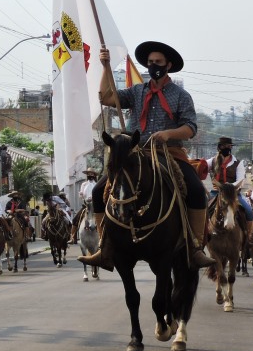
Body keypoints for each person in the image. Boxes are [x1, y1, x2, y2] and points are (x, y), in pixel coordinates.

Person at [80, 41, 216, 271]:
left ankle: (194, 247)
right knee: (97, 190)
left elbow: (190, 128)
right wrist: (105, 67)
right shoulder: (137, 91)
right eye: (151, 62)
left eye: (159, 62)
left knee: (195, 189)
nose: (154, 66)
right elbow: (106, 97)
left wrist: (168, 133)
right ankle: (104, 248)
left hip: (168, 152)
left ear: (168, 65)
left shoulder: (181, 95)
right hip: (136, 153)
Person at [204, 137, 251, 239]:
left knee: (249, 211)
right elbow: (201, 169)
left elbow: (240, 180)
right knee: (201, 208)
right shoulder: (212, 161)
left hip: (233, 194)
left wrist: (226, 187)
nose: (228, 148)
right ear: (220, 147)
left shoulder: (238, 163)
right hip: (215, 193)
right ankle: (201, 238)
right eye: (225, 146)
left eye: (229, 146)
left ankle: (248, 239)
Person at [70, 170, 99, 243]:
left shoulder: (97, 184)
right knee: (75, 219)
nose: (90, 175)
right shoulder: (84, 184)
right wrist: (81, 195)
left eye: (91, 173)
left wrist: (93, 198)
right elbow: (81, 194)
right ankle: (73, 237)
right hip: (86, 205)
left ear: (94, 175)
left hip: (95, 205)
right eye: (89, 174)